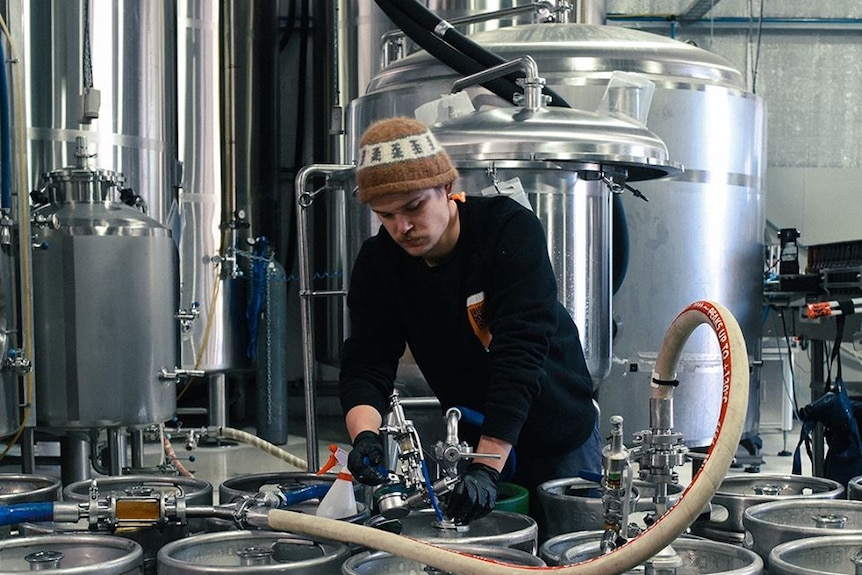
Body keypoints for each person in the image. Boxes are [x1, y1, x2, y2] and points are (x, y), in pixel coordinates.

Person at [339, 116, 601, 525]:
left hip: (556, 436)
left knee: (573, 558)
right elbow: (368, 357)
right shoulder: (380, 262)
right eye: (385, 215)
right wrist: (366, 436)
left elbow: (520, 351)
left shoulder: (507, 230)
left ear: (447, 188)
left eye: (413, 207)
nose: (402, 227)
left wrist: (487, 467)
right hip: (475, 442)